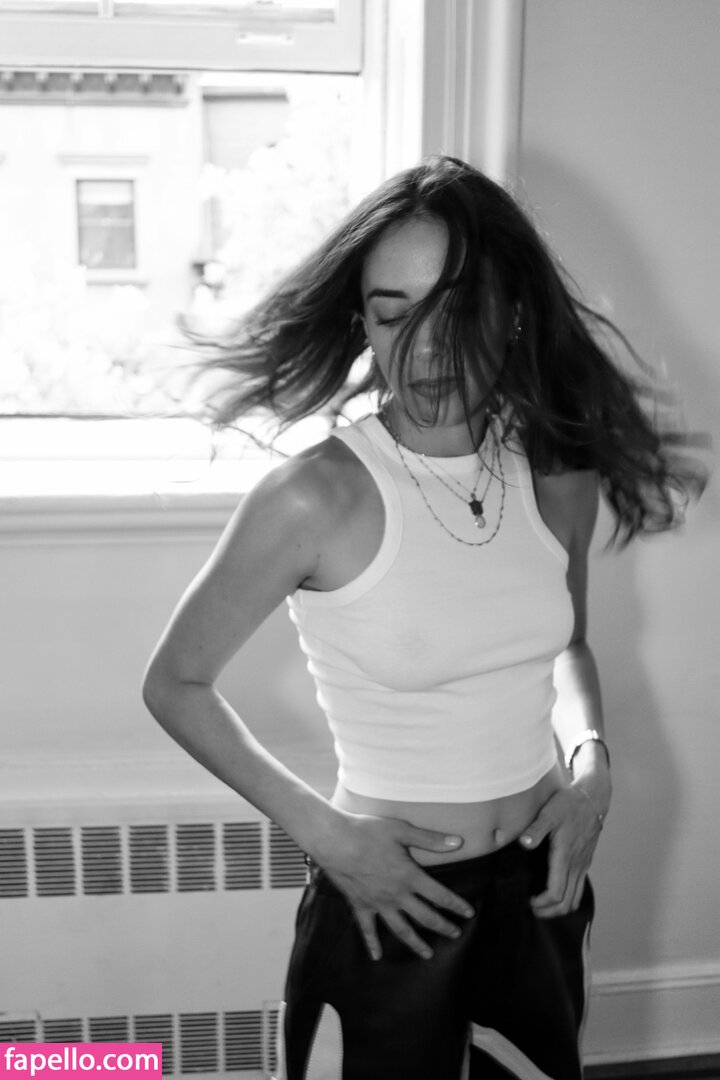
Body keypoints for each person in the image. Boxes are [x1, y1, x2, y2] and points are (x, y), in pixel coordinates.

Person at [143, 155, 703, 1080]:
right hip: (390, 899)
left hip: (540, 889)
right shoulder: (315, 496)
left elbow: (566, 646)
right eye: (393, 312)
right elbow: (175, 684)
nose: (427, 349)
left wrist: (591, 767)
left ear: (513, 313)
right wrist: (327, 836)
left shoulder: (554, 473)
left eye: (458, 308)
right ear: (361, 323)